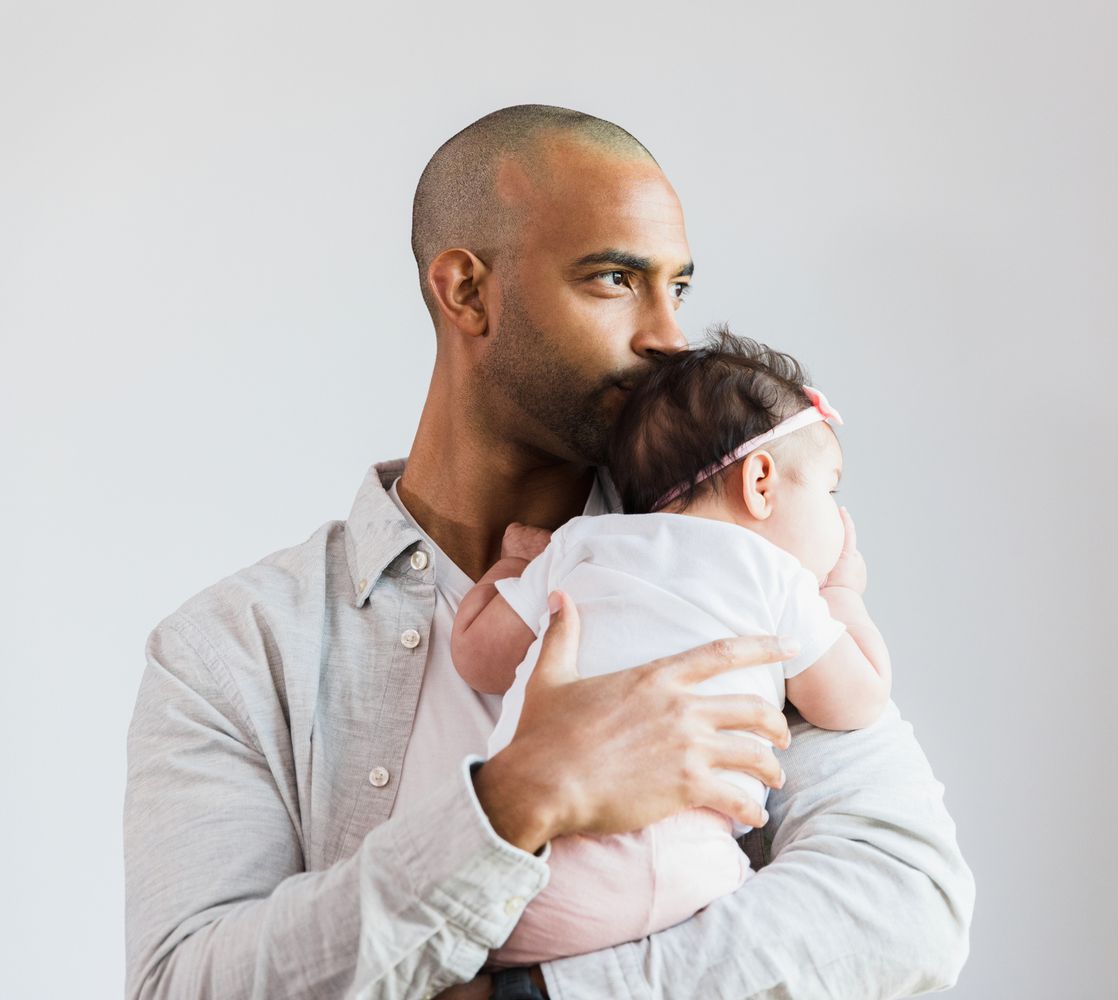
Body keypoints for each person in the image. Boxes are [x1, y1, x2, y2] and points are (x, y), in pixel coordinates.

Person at [123, 104, 974, 999]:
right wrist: (518, 796)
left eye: (677, 288)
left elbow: (903, 906)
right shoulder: (231, 651)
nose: (669, 337)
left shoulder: (733, 565)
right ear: (465, 290)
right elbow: (188, 984)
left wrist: (524, 997)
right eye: (615, 279)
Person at [451, 331, 893, 967]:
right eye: (830, 491)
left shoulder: (580, 544)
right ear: (761, 482)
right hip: (689, 870)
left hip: (533, 876)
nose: (838, 516)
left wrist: (515, 566)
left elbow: (476, 657)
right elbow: (855, 700)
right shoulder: (777, 578)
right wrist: (844, 597)